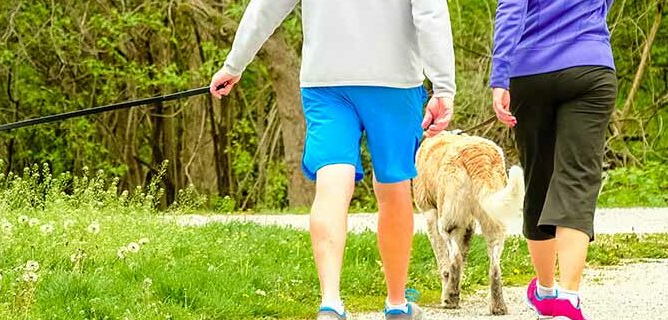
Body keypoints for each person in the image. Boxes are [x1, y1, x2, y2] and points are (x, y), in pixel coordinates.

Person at [209, 0, 458, 319]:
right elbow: (430, 13)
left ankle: (331, 302)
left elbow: (266, 7)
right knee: (393, 187)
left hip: (325, 79)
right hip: (394, 80)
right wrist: (443, 87)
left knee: (331, 184)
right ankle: (397, 304)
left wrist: (234, 64)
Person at [488, 0, 617, 319]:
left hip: (530, 70)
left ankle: (546, 293)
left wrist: (500, 77)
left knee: (539, 178)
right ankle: (569, 298)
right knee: (578, 179)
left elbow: (511, 8)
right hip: (590, 64)